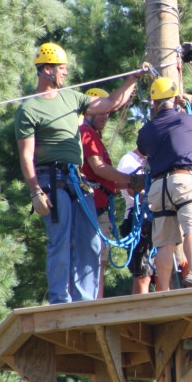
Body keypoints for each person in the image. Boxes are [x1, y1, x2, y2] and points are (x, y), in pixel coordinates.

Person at [14, 42, 145, 304]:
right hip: (51, 181)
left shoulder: (72, 98)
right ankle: (60, 301)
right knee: (61, 241)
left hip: (77, 181)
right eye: (62, 68)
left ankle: (84, 301)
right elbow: (26, 155)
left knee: (92, 242)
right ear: (47, 70)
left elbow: (110, 103)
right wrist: (35, 191)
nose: (65, 73)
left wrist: (133, 78)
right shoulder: (29, 109)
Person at [136, 76, 192, 291]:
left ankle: (163, 289)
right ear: (176, 99)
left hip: (159, 187)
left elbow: (142, 150)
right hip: (184, 179)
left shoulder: (147, 129)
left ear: (154, 103)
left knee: (164, 241)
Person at [79, 88, 141, 298]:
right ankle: (94, 305)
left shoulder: (92, 135)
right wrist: (132, 180)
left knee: (98, 261)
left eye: (107, 112)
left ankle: (95, 302)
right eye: (100, 112)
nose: (105, 116)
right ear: (88, 111)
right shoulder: (86, 133)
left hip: (98, 205)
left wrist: (130, 185)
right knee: (95, 261)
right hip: (94, 208)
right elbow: (99, 169)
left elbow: (102, 178)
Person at [116, 147, 155, 294]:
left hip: (154, 215)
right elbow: (133, 190)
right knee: (142, 274)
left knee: (161, 272)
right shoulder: (129, 161)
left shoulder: (151, 160)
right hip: (138, 218)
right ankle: (141, 313)